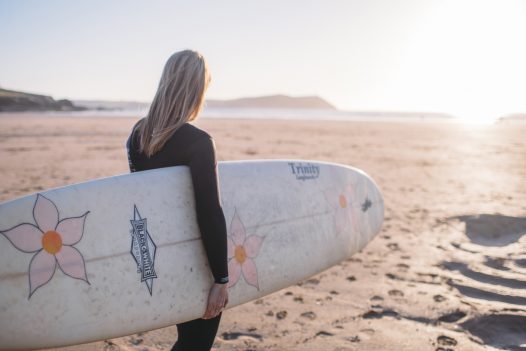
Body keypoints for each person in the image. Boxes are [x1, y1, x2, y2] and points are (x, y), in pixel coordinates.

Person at [126, 50, 229, 351]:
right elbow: (209, 212)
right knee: (196, 343)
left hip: (156, 256)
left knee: (188, 342)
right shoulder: (198, 142)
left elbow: (141, 199)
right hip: (194, 260)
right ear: (197, 89)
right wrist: (220, 279)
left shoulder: (137, 136)